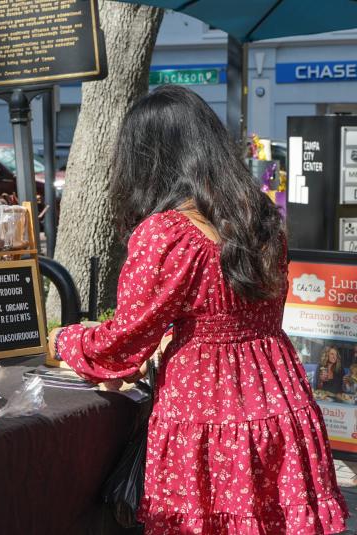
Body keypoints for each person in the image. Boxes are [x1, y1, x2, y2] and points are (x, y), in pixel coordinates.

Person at [48, 85, 347, 534]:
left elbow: (124, 344)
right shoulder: (261, 218)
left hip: (205, 412)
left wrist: (63, 339)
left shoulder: (167, 234)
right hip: (282, 400)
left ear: (146, 159)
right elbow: (244, 311)